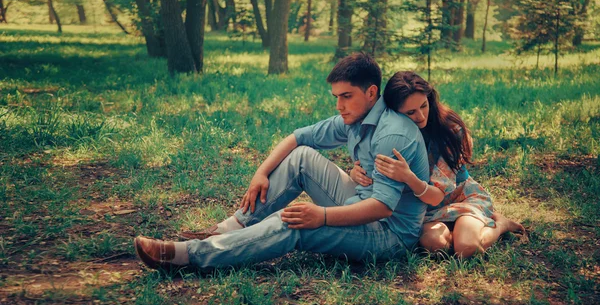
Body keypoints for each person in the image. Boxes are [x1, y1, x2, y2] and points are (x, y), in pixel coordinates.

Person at [134, 53, 431, 271]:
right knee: (301, 157)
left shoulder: (392, 133)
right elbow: (298, 138)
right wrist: (260, 174)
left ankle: (189, 255)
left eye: (346, 96)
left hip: (387, 234)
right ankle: (231, 228)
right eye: (336, 96)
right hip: (357, 201)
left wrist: (322, 216)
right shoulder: (357, 115)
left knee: (294, 220)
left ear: (371, 93)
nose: (339, 105)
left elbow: (383, 207)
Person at [350, 71, 525, 258]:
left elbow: (436, 196)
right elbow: (377, 174)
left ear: (429, 99)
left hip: (460, 199)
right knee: (433, 244)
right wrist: (355, 173)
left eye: (423, 106)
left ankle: (500, 225)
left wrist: (407, 177)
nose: (420, 116)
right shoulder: (391, 133)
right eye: (410, 112)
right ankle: (455, 233)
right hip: (424, 211)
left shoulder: (451, 129)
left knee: (466, 249)